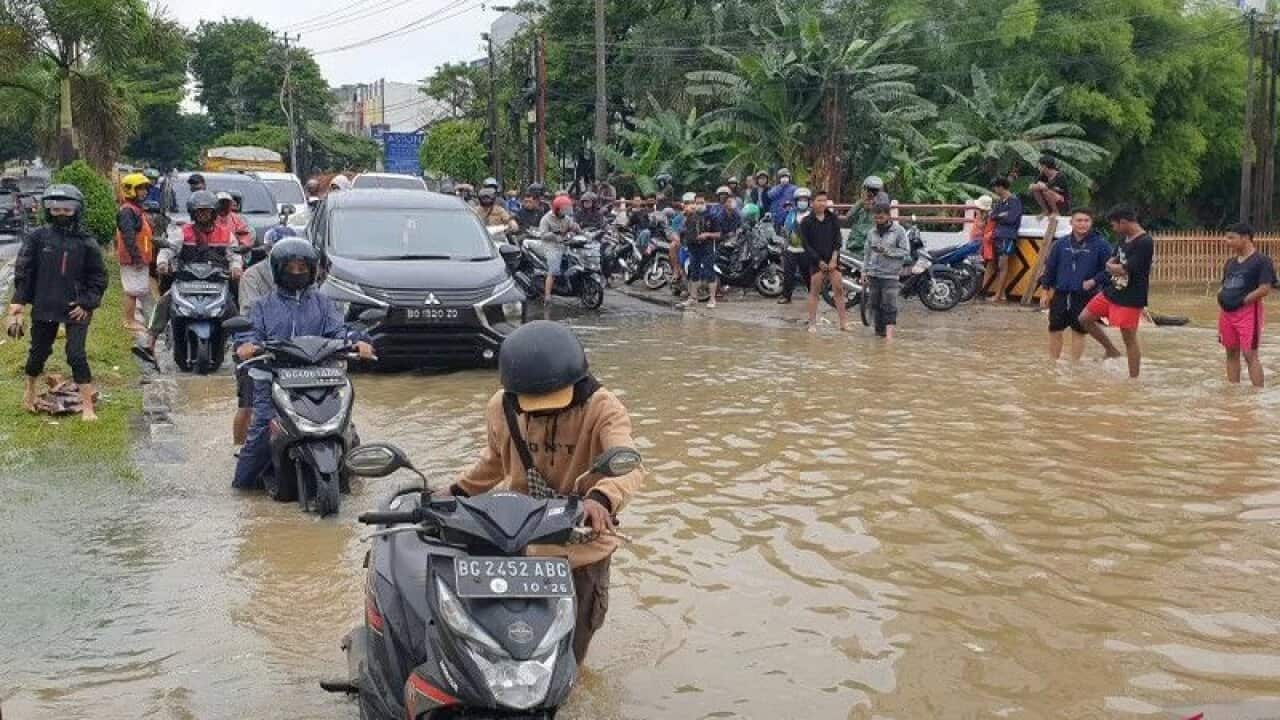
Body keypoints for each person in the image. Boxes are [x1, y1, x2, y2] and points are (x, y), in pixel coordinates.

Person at [449, 320, 643, 661]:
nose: (546, 409)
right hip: (522, 544)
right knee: (512, 646)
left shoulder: (604, 408)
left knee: (572, 655)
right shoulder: (501, 407)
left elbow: (629, 465)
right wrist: (454, 492)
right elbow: (494, 461)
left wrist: (600, 498)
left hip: (584, 546)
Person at [232, 239, 375, 489]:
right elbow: (248, 334)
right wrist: (246, 345)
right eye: (291, 268)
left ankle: (353, 477)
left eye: (302, 268)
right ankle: (241, 487)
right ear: (278, 270)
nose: (297, 273)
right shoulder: (262, 306)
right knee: (261, 433)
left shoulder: (324, 303)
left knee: (346, 428)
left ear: (312, 270)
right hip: (274, 377)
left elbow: (338, 331)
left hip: (321, 376)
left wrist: (358, 342)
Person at [7, 185, 108, 420]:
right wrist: (18, 302)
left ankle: (88, 407)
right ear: (48, 210)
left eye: (67, 209)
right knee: (38, 353)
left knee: (76, 355)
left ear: (77, 210)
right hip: (45, 305)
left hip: (76, 308)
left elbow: (99, 277)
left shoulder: (86, 242)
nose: (61, 213)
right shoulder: (37, 237)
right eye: (55, 208)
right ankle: (30, 393)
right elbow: (25, 270)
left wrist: (87, 303)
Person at [134, 190, 244, 364]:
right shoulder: (182, 232)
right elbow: (168, 249)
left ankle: (242, 345)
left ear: (213, 212)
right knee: (165, 301)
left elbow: (234, 255)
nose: (203, 215)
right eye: (199, 211)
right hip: (186, 280)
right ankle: (150, 342)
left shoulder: (226, 234)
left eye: (207, 211)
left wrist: (236, 268)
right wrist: (162, 263)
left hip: (216, 281)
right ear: (193, 213)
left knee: (233, 307)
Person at [1078, 205, 1155, 378]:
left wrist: (1114, 267)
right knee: (1084, 318)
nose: (1113, 229)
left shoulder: (1145, 242)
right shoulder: (1124, 238)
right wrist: (1113, 267)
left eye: (1114, 225)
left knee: (1129, 337)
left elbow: (1124, 269)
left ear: (1124, 222)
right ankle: (1111, 350)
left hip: (1131, 296)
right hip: (1113, 290)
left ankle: (1133, 378)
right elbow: (1113, 261)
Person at [232, 222, 288, 446]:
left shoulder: (304, 276)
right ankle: (239, 449)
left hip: (291, 349)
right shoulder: (252, 277)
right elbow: (250, 316)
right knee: (248, 406)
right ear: (268, 251)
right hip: (256, 348)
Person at [1038, 209, 1112, 361]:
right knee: (1054, 329)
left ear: (1091, 223)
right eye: (1079, 220)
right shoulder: (1060, 244)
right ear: (1071, 222)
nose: (1083, 224)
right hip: (1060, 294)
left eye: (1086, 220)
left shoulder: (1101, 245)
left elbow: (1110, 271)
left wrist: (1094, 281)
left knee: (1079, 331)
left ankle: (1074, 365)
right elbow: (1050, 268)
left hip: (1085, 295)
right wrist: (1045, 291)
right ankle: (1052, 363)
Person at [1217, 223, 1275, 387]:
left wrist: (1242, 301)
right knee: (1230, 352)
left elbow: (1265, 288)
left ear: (1245, 238)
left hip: (1249, 313)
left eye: (1231, 237)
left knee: (1250, 354)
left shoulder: (1262, 261)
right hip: (1226, 313)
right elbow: (1225, 284)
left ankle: (1257, 395)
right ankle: (1233, 392)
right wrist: (1221, 296)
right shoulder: (1230, 262)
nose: (1226, 241)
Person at [801, 190, 848, 331]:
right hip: (816, 262)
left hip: (833, 260)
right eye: (819, 200)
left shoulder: (833, 218)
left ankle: (843, 323)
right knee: (814, 291)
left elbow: (837, 240)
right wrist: (819, 262)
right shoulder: (806, 222)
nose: (822, 203)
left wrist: (834, 258)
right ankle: (812, 323)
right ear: (812, 203)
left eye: (824, 200)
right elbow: (806, 245)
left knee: (839, 290)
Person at [863, 203, 911, 339]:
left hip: (891, 275)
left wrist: (888, 251)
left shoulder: (899, 231)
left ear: (888, 216)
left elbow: (906, 251)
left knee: (889, 305)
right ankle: (879, 335)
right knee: (875, 304)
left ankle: (889, 338)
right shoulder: (871, 232)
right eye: (876, 217)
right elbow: (866, 253)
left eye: (881, 217)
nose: (878, 220)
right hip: (874, 274)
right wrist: (864, 271)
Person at [116, 172, 156, 334]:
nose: (144, 192)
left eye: (145, 189)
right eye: (140, 189)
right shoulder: (127, 211)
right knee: (132, 291)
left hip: (139, 258)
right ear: (130, 189)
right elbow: (128, 237)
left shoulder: (135, 209)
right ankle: (129, 320)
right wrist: (136, 258)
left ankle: (135, 319)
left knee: (138, 289)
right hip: (133, 259)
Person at [678, 196, 721, 310]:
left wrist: (707, 234)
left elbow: (718, 234)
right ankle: (693, 298)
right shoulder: (690, 215)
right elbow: (683, 229)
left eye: (701, 202)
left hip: (707, 247)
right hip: (693, 247)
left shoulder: (712, 216)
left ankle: (712, 299)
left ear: (705, 203)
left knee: (709, 272)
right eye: (697, 203)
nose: (699, 204)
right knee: (693, 272)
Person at [538, 195, 582, 302]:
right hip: (551, 246)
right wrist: (555, 234)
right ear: (556, 209)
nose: (565, 212)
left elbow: (573, 227)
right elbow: (543, 235)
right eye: (563, 210)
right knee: (554, 270)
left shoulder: (566, 218)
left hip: (565, 244)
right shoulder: (546, 219)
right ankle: (547, 296)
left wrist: (576, 228)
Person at [989, 177, 1022, 302]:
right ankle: (1001, 294)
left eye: (996, 187)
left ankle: (998, 295)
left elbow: (1011, 219)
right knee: (999, 265)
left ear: (1001, 187)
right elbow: (993, 216)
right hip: (999, 235)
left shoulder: (1014, 201)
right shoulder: (1001, 201)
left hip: (1007, 236)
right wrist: (1001, 215)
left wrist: (999, 216)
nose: (995, 190)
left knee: (1003, 264)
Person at [778, 190, 812, 304]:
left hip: (805, 249)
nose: (802, 202)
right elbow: (786, 229)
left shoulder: (812, 215)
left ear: (808, 202)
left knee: (806, 273)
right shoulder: (791, 214)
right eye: (800, 200)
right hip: (791, 248)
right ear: (796, 202)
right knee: (788, 273)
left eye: (805, 200)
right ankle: (786, 296)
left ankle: (813, 294)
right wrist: (785, 244)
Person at [845, 175, 890, 255]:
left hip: (873, 248)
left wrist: (876, 205)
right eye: (868, 190)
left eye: (874, 191)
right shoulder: (859, 205)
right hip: (856, 247)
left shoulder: (881, 207)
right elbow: (848, 219)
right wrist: (861, 203)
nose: (871, 194)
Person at [971, 195, 997, 288]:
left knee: (979, 267)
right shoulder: (981, 215)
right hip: (978, 243)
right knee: (978, 266)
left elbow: (983, 227)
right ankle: (979, 288)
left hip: (981, 244)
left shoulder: (987, 217)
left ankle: (981, 288)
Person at [766, 168, 797, 232]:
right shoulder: (775, 188)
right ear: (779, 179)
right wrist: (781, 187)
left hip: (789, 216)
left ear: (789, 178)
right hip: (776, 217)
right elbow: (770, 195)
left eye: (786, 177)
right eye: (782, 177)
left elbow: (797, 200)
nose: (784, 179)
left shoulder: (794, 188)